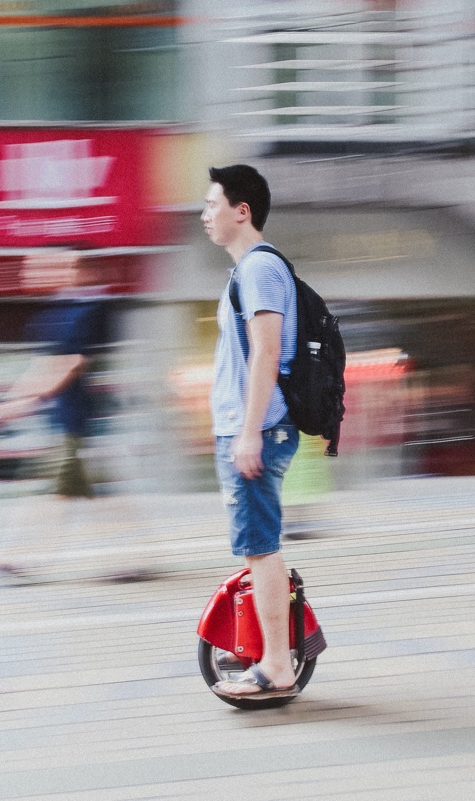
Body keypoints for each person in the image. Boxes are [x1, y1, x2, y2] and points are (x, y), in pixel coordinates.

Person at [0, 251, 146, 582]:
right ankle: (132, 558)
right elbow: (43, 365)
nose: (35, 270)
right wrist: (8, 404)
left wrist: (19, 405)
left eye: (49, 264)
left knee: (59, 491)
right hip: (66, 422)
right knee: (94, 493)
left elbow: (69, 363)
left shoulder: (93, 310)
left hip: (82, 423)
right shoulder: (57, 312)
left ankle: (17, 558)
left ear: (78, 269)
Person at [201, 164, 302, 699]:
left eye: (212, 204)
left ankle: (277, 667)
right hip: (248, 427)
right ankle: (274, 651)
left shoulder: (259, 270)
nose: (204, 215)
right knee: (256, 547)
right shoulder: (248, 271)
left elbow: (266, 352)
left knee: (261, 548)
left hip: (257, 428)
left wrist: (248, 433)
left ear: (243, 211)